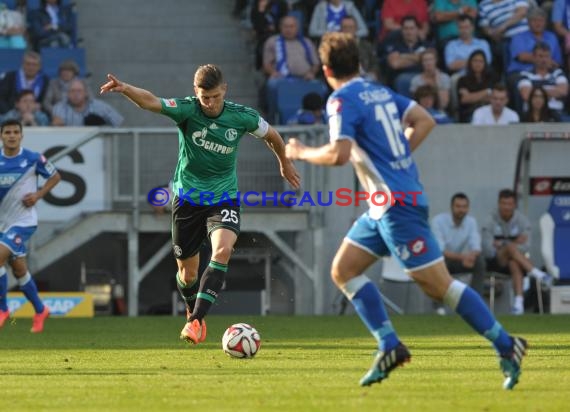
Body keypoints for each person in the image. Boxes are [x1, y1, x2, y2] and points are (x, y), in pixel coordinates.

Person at [285, 32, 527, 390]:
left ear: (326, 70)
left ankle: (508, 345)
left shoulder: (340, 100)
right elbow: (425, 120)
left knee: (438, 286)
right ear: (359, 63)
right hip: (381, 207)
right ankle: (389, 345)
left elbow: (337, 154)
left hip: (398, 205)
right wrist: (397, 158)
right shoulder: (380, 91)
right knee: (343, 270)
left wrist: (300, 152)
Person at [100, 64, 300, 345]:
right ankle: (191, 309)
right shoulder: (187, 110)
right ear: (196, 92)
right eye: (205, 97)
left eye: (216, 97)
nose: (210, 103)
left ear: (225, 90)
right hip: (187, 201)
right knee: (187, 273)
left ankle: (195, 321)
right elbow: (151, 102)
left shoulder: (241, 116)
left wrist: (284, 162)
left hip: (223, 197)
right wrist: (126, 89)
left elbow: (273, 136)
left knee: (223, 249)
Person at [0, 119, 61, 332]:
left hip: (23, 221)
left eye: (15, 132)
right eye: (7, 132)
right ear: (1, 136)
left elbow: (55, 176)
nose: (11, 135)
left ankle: (2, 309)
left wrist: (38, 195)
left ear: (21, 135)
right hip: (2, 224)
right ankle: (40, 309)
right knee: (19, 271)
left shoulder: (33, 158)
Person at [482, 189, 551, 315]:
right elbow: (487, 248)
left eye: (509, 204)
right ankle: (536, 273)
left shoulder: (522, 220)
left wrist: (502, 243)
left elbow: (526, 246)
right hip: (495, 261)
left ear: (514, 205)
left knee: (514, 262)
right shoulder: (490, 220)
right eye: (504, 203)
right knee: (510, 248)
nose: (507, 207)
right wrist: (509, 244)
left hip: (516, 261)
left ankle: (518, 304)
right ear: (499, 204)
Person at [431, 193, 484, 296]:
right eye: (458, 206)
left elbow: (476, 246)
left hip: (460, 260)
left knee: (479, 261)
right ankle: (438, 306)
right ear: (451, 207)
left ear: (468, 208)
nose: (461, 210)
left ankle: (476, 300)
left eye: (464, 207)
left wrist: (471, 257)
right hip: (443, 260)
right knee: (439, 262)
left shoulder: (471, 222)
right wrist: (464, 257)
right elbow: (440, 250)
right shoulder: (438, 221)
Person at [52, 78, 124, 127]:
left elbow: (119, 122)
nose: (76, 94)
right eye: (72, 91)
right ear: (67, 94)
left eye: (79, 91)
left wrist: (103, 126)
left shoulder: (100, 107)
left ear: (85, 93)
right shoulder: (59, 108)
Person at [0, 51, 50, 115]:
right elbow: (1, 98)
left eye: (34, 64)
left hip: (35, 114)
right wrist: (8, 112)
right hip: (11, 112)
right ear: (22, 64)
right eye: (28, 64)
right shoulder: (10, 77)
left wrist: (40, 107)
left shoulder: (45, 80)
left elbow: (45, 101)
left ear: (39, 67)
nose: (31, 67)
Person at [456, 50, 497, 123]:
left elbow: (493, 98)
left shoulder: (492, 79)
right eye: (475, 61)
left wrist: (472, 96)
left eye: (481, 61)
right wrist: (487, 91)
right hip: (470, 112)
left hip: (489, 111)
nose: (478, 64)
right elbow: (465, 99)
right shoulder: (462, 80)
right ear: (470, 62)